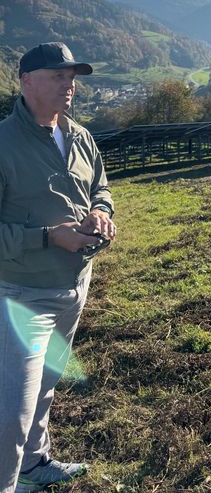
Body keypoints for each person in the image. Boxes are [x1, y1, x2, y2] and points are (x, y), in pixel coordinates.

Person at [0, 42, 116, 493]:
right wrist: (49, 237)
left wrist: (101, 213)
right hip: (22, 294)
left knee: (47, 383)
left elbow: (100, 187)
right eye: (56, 76)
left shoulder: (81, 136)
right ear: (26, 81)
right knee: (14, 406)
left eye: (72, 77)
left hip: (73, 284)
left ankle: (34, 463)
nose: (68, 86)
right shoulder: (4, 143)